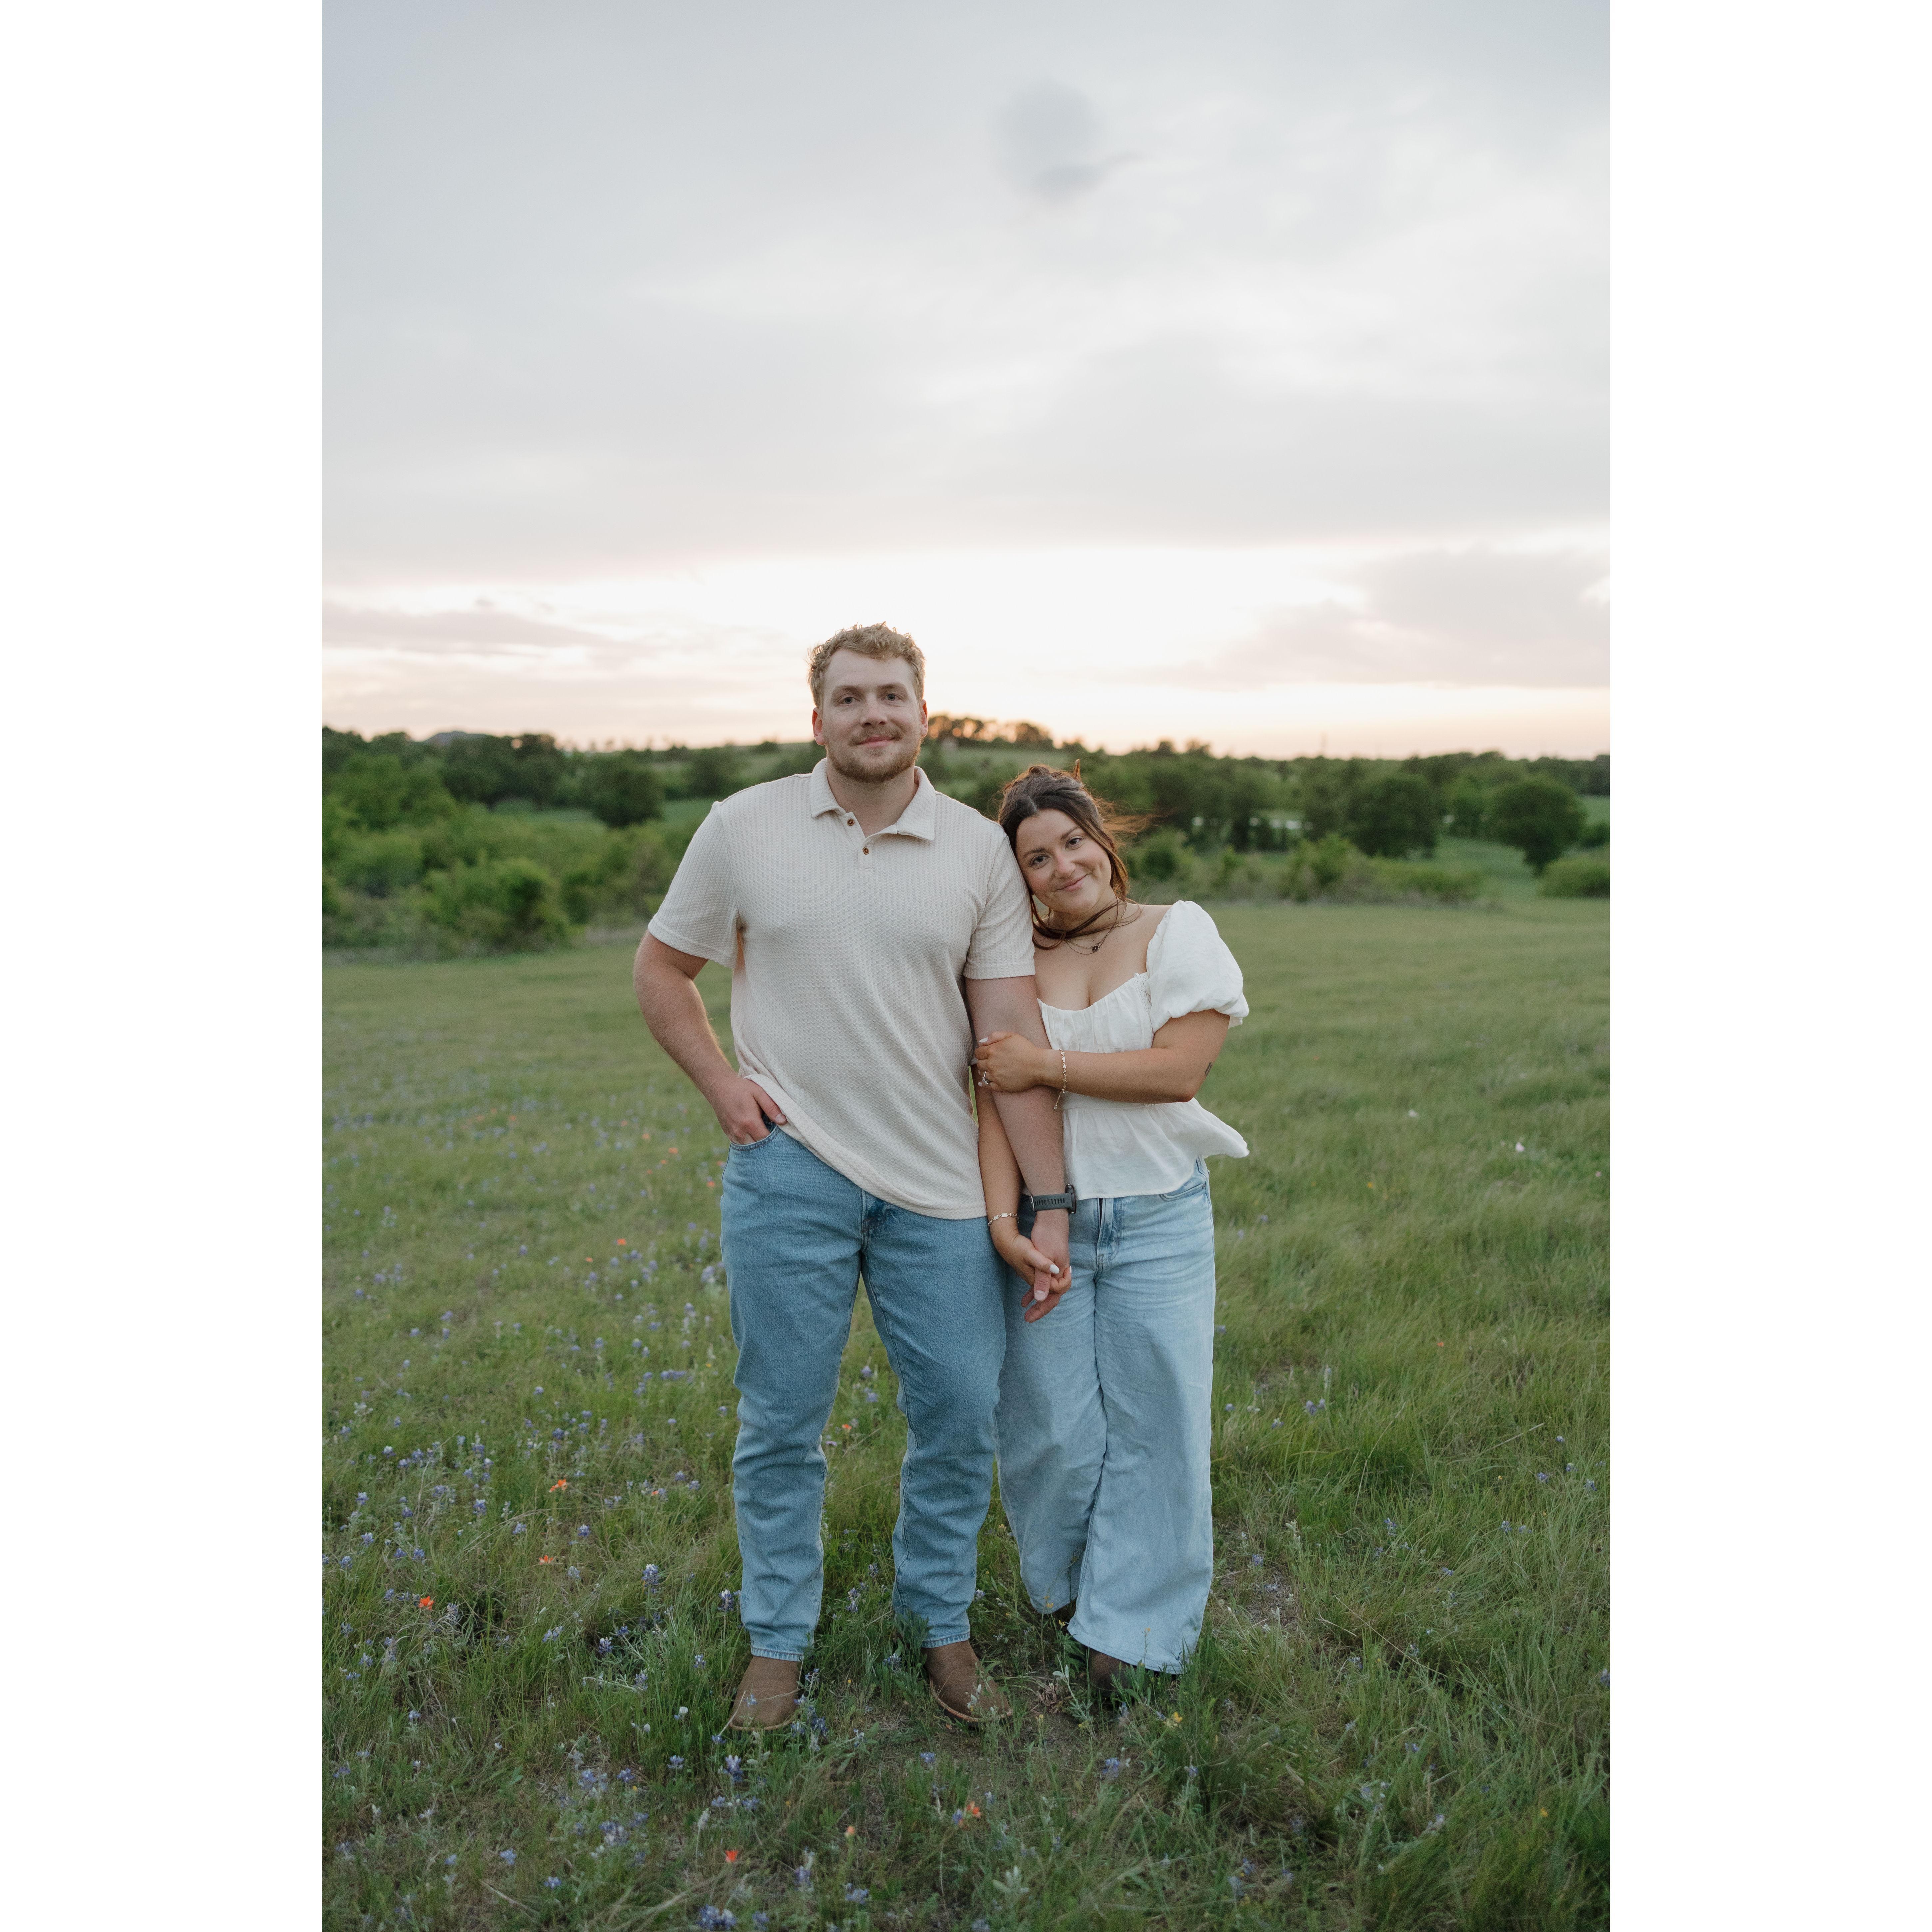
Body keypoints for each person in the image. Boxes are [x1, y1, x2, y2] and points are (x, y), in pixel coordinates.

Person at [632, 625, 1071, 1730]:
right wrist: (725, 1088)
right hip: (791, 1172)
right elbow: (662, 968)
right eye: (850, 697)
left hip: (942, 1185)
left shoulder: (977, 851)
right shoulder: (744, 825)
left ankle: (942, 1625)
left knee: (960, 1415)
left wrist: (1045, 1202)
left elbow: (1011, 1041)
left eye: (892, 695)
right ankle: (777, 1643)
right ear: (818, 716)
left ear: (924, 712)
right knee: (782, 1421)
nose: (873, 713)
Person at [973, 763, 1249, 1694]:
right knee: (1049, 1431)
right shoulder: (1009, 962)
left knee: (1158, 1425)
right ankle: (1072, 1594)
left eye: (1073, 842)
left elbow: (1179, 1072)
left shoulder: (1176, 931)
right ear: (1021, 877)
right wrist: (1006, 1222)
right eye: (1037, 858)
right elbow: (993, 1098)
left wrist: (1043, 1065)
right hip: (1047, 1226)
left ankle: (1131, 1634)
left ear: (1103, 839)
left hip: (1158, 1218)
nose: (1063, 867)